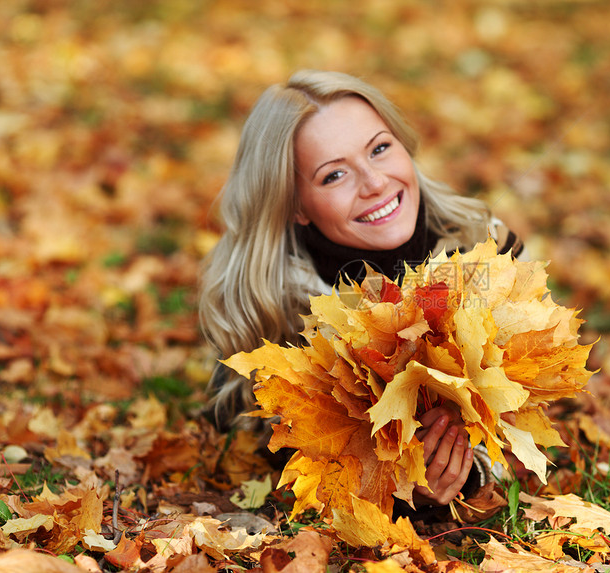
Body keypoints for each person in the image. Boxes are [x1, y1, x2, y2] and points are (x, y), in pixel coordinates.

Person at [199, 70, 523, 511]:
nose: (374, 183)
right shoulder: (278, 300)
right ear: (294, 204)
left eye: (380, 149)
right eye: (334, 175)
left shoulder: (481, 254)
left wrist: (471, 465)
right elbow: (259, 438)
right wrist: (389, 475)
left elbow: (525, 409)